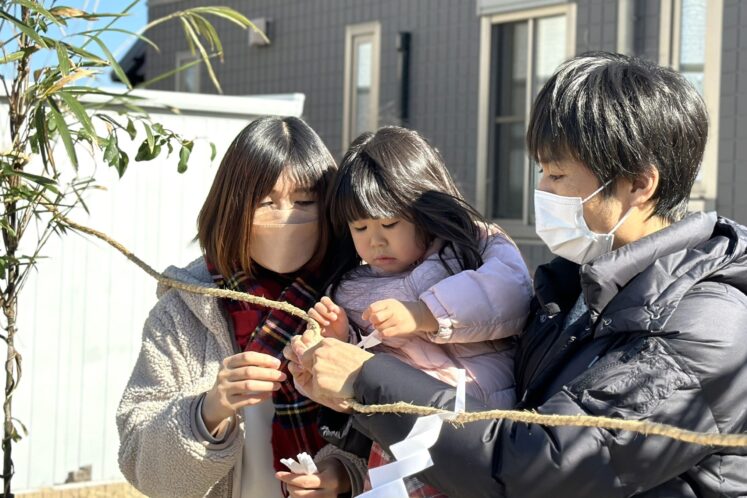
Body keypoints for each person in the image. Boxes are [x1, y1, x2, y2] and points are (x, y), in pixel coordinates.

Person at [290, 52, 747, 497]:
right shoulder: (578, 288)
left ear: (639, 184)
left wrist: (371, 380)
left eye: (559, 176)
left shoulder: (705, 323)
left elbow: (543, 464)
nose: (542, 190)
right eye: (542, 172)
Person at [116, 116, 364, 498]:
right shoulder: (184, 310)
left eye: (304, 202)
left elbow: (407, 423)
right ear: (233, 207)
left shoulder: (360, 298)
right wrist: (209, 410)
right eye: (266, 202)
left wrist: (345, 472)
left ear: (330, 207)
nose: (286, 217)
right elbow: (141, 465)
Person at [295, 127, 532, 496]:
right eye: (360, 227)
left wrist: (424, 313)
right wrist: (340, 338)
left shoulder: (473, 245)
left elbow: (512, 292)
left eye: (390, 223)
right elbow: (365, 377)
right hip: (403, 441)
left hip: (484, 427)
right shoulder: (352, 289)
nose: (376, 240)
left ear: (424, 208)